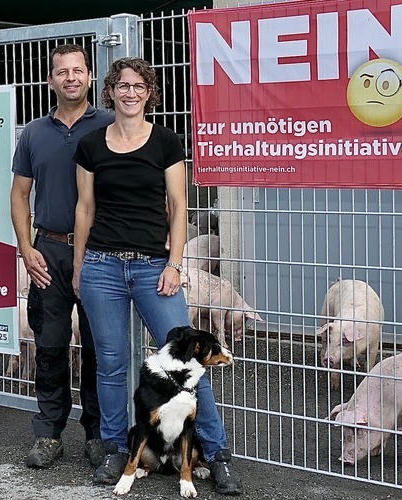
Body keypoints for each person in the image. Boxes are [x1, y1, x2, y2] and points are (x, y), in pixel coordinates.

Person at [71, 57, 243, 495]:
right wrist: (79, 267)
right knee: (110, 365)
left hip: (153, 268)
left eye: (139, 86)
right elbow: (85, 208)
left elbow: (179, 207)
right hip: (102, 266)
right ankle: (115, 449)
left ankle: (216, 453)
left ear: (150, 93)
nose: (130, 93)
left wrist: (175, 264)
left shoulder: (166, 142)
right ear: (109, 91)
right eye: (122, 85)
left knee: (186, 366)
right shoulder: (90, 145)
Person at [10, 44, 113, 470]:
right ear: (50, 80)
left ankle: (96, 434)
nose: (70, 78)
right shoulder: (34, 133)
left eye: (78, 70)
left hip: (100, 253)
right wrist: (26, 248)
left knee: (97, 349)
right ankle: (49, 434)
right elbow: (19, 195)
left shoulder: (110, 125)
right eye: (62, 72)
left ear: (90, 76)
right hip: (48, 251)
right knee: (50, 346)